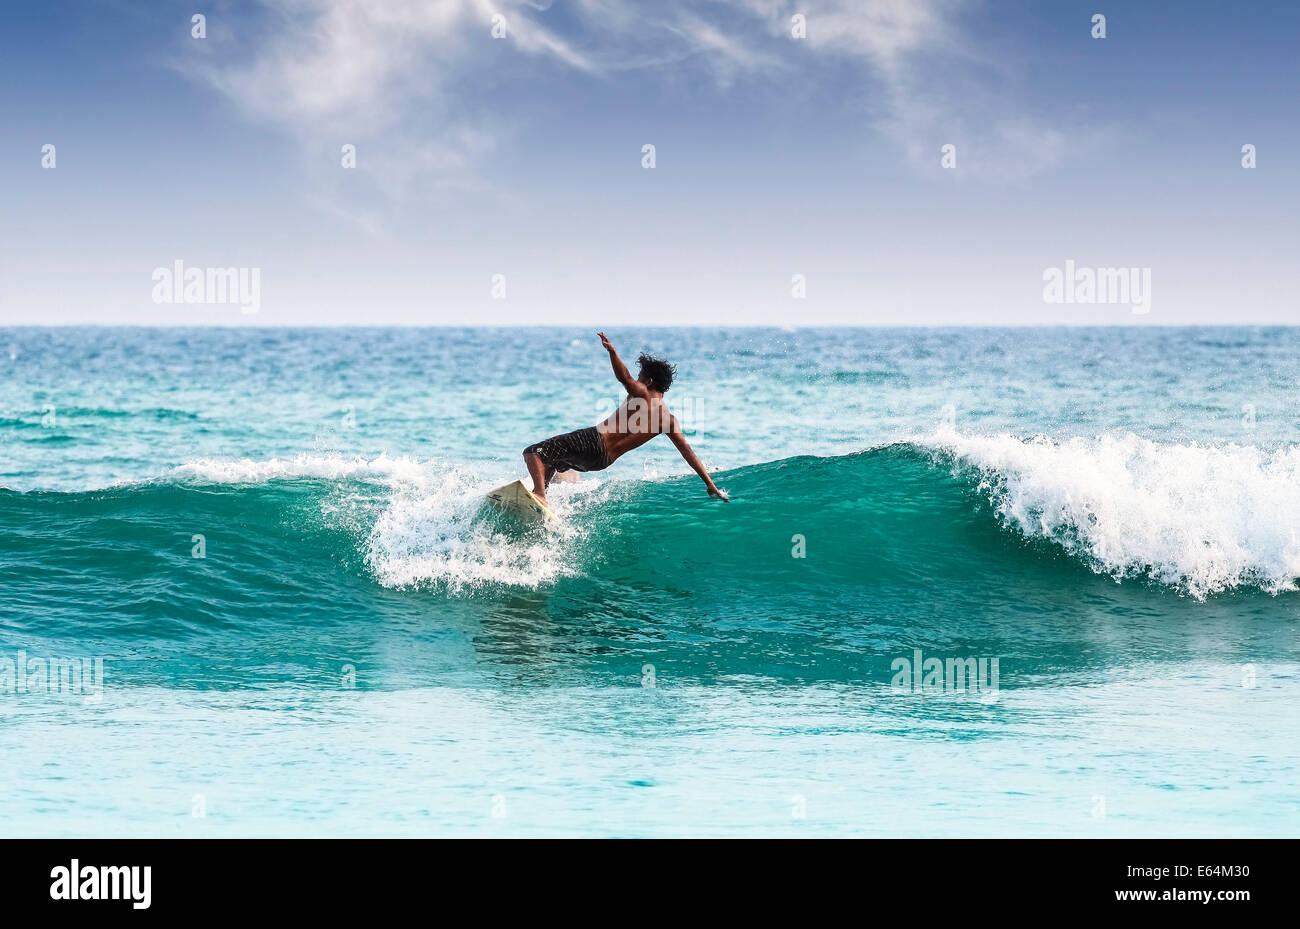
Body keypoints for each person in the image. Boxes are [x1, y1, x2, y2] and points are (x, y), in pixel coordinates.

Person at [522, 332, 729, 506]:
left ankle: (540, 495)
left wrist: (612, 352)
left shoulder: (643, 394)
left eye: (640, 378)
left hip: (594, 441)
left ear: (648, 382)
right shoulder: (668, 420)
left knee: (533, 453)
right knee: (553, 460)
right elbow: (688, 452)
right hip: (602, 461)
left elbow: (625, 378)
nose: (637, 381)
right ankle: (540, 496)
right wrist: (710, 484)